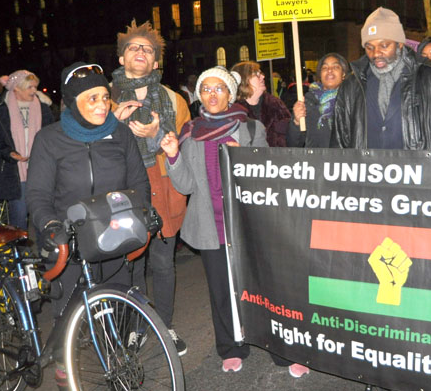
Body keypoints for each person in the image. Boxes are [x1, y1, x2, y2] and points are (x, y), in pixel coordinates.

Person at [160, 67, 310, 378]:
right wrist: (174, 156)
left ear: (230, 95)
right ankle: (231, 347)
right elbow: (186, 186)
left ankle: (282, 349)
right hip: (209, 224)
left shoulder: (251, 129)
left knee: (264, 289)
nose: (212, 95)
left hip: (247, 224)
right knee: (221, 290)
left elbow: (267, 173)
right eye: (206, 89)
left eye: (219, 89)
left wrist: (245, 157)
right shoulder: (190, 132)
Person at [26, 62, 150, 387]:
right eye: (91, 98)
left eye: (104, 96)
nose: (101, 105)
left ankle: (116, 359)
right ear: (72, 101)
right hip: (67, 239)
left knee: (118, 306)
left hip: (114, 234)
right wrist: (49, 224)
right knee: (68, 315)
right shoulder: (49, 139)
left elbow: (139, 181)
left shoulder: (120, 133)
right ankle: (66, 365)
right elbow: (37, 193)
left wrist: (144, 211)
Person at [110, 19, 191, 355]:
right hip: (123, 186)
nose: (140, 52)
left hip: (163, 184)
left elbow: (185, 149)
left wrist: (157, 135)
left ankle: (165, 325)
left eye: (147, 49)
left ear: (156, 61)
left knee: (162, 261)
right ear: (121, 58)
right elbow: (88, 146)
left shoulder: (174, 99)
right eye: (133, 47)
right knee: (131, 262)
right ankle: (135, 326)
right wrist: (115, 124)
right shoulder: (103, 99)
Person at [330, 7, 431, 150]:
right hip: (368, 170)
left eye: (384, 45)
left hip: (420, 169)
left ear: (400, 44)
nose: (376, 54)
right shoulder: (352, 84)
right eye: (369, 47)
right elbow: (340, 141)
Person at [0, 70, 54, 232]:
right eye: (29, 87)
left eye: (35, 87)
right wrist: (9, 153)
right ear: (16, 88)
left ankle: (46, 250)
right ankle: (20, 253)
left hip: (40, 169)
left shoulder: (43, 109)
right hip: (14, 171)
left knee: (42, 212)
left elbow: (52, 135)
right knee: (19, 214)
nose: (34, 91)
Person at [287, 53, 348, 148]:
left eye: (335, 67)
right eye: (325, 68)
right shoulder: (308, 101)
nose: (329, 70)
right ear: (320, 75)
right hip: (315, 161)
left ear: (343, 74)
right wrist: (296, 122)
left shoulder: (352, 100)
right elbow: (293, 145)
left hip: (344, 161)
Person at [231, 61, 291, 147]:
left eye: (261, 73)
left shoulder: (276, 105)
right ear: (244, 80)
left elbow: (292, 140)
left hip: (277, 159)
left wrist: (296, 124)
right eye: (256, 74)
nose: (263, 76)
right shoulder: (234, 112)